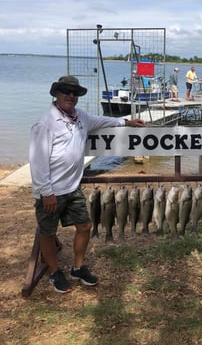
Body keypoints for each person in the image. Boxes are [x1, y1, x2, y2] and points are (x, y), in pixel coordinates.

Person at [29, 75, 145, 294]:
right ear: (56, 93)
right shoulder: (45, 123)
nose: (70, 96)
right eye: (65, 91)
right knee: (47, 233)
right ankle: (54, 272)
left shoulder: (80, 116)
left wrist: (126, 122)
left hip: (73, 187)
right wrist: (46, 192)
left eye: (74, 93)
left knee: (85, 226)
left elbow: (102, 121)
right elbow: (38, 160)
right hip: (51, 190)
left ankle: (78, 268)